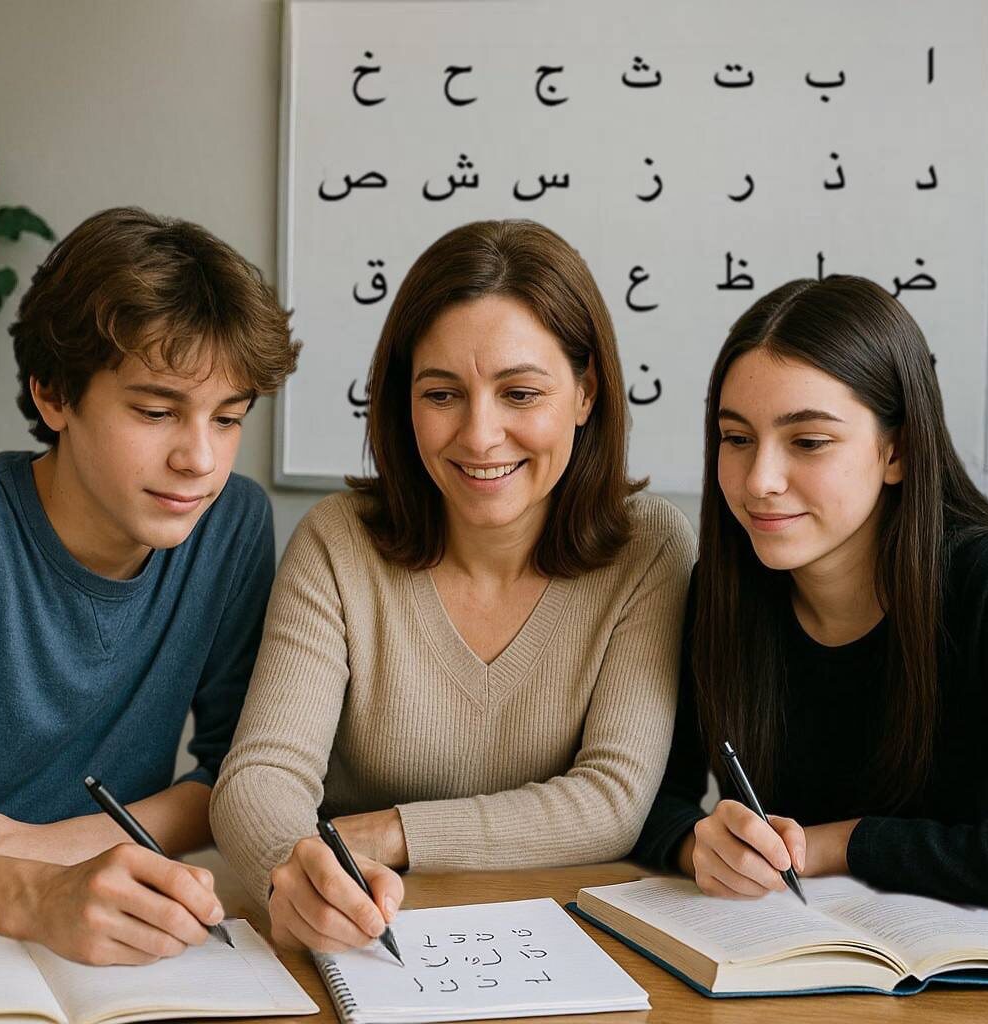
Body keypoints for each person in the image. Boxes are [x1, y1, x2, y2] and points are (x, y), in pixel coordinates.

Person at [211, 219, 695, 953]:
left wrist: (393, 830)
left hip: (566, 949)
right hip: (359, 943)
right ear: (404, 401)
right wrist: (292, 867)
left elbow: (612, 801)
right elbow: (262, 773)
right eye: (442, 395)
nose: (479, 435)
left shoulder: (651, 550)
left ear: (586, 392)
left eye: (520, 393)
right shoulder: (337, 541)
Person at [634, 275, 988, 909]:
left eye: (808, 442)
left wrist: (832, 844)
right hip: (788, 967)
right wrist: (701, 847)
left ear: (899, 451)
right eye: (736, 438)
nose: (760, 481)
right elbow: (647, 802)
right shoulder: (723, 589)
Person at [0, 207, 300, 962]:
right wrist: (27, 890)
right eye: (158, 411)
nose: (200, 459)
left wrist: (42, 849)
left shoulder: (229, 526)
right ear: (54, 395)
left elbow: (235, 773)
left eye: (227, 419)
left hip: (120, 918)